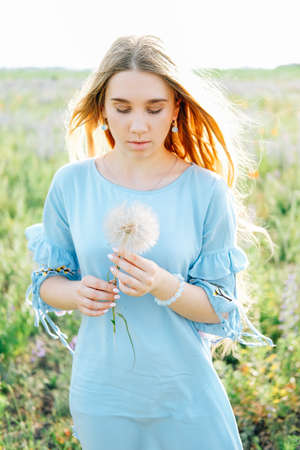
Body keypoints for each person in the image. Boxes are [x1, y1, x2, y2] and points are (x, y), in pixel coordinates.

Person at [25, 35, 275, 450]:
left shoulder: (206, 191)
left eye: (154, 109)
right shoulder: (71, 184)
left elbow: (221, 310)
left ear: (176, 108)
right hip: (102, 398)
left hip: (186, 398)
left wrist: (164, 285)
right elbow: (46, 286)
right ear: (102, 109)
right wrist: (75, 292)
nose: (137, 125)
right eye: (122, 109)